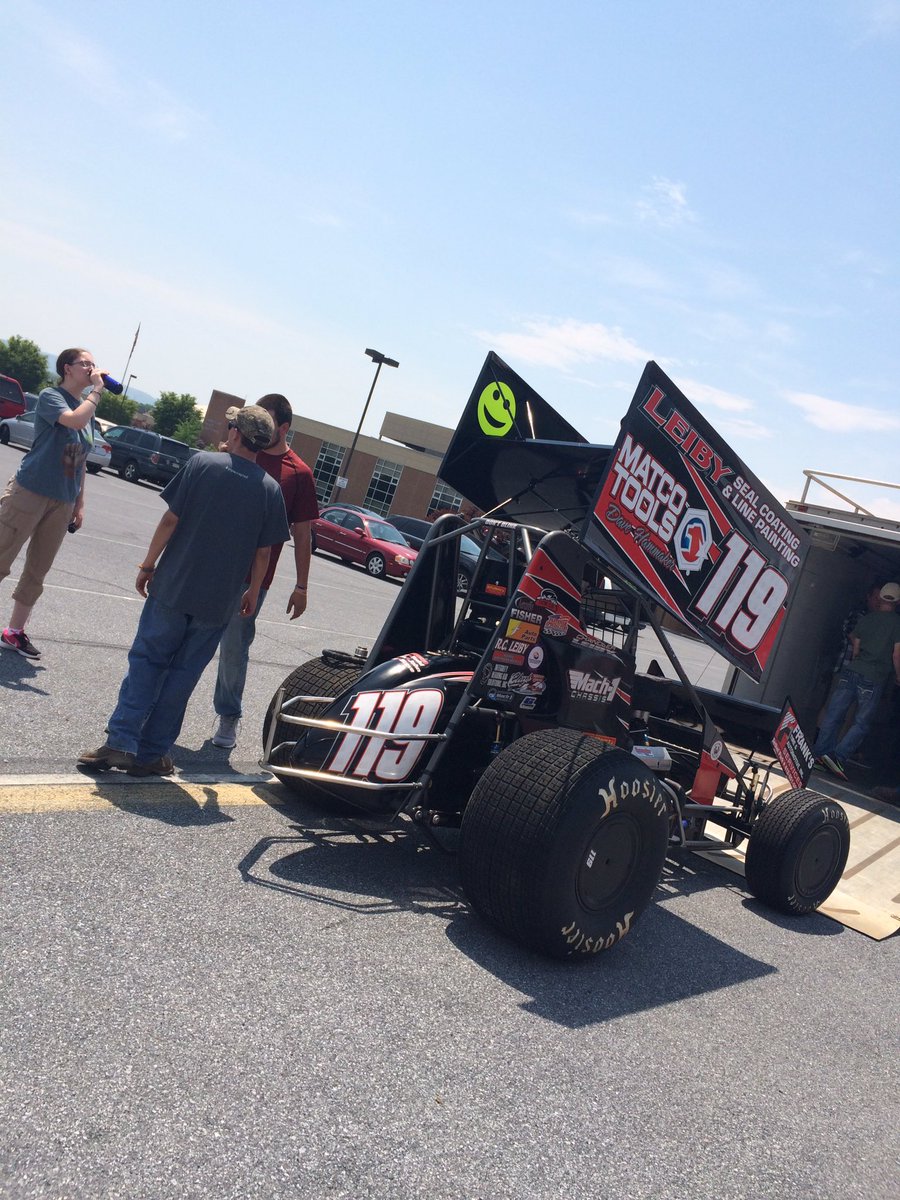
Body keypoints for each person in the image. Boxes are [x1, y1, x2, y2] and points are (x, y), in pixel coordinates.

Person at [78, 406, 289, 776]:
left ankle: (120, 743)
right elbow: (264, 553)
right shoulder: (270, 490)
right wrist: (253, 592)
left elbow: (171, 519)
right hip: (218, 602)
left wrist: (147, 565)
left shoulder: (202, 464)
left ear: (236, 432)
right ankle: (152, 753)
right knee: (183, 675)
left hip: (173, 587)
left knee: (147, 662)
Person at [211, 394, 319, 749]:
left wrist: (301, 585)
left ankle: (229, 716)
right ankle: (160, 710)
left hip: (252, 580)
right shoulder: (237, 450)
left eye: (267, 422)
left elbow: (302, 534)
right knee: (189, 640)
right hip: (209, 565)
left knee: (233, 649)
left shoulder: (299, 473)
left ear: (284, 428)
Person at [0, 348, 105, 659]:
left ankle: (14, 632)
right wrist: (97, 391)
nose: (91, 367)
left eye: (93, 363)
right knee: (2, 552)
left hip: (62, 500)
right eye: (85, 363)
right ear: (67, 369)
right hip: (30, 489)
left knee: (38, 569)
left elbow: (77, 456)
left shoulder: (89, 409)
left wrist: (79, 502)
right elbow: (71, 422)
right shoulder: (51, 396)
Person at [814, 581, 900, 779]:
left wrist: (857, 657)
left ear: (881, 599)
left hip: (852, 671)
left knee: (834, 714)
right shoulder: (896, 623)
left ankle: (820, 755)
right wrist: (898, 675)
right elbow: (897, 654)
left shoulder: (868, 618)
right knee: (861, 723)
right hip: (873, 677)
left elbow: (855, 640)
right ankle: (838, 756)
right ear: (897, 601)